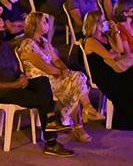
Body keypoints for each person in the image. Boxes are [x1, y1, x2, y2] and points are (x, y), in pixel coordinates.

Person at [0, 13, 74, 156]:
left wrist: (21, 77)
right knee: (42, 100)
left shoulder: (4, 46)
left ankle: (51, 121)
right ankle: (51, 141)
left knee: (42, 81)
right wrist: (14, 85)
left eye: (3, 27)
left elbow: (16, 67)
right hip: (3, 92)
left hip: (17, 84)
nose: (2, 30)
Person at [17, 12, 100, 142]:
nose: (47, 25)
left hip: (53, 76)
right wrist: (60, 73)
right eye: (44, 22)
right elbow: (43, 66)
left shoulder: (44, 42)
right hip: (41, 82)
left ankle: (85, 108)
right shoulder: (28, 44)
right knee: (75, 86)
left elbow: (56, 60)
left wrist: (64, 69)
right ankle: (76, 122)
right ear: (34, 25)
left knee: (79, 76)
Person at [81, 10, 133, 131]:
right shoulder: (90, 41)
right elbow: (109, 55)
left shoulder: (105, 37)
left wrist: (115, 31)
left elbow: (119, 50)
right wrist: (114, 54)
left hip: (116, 70)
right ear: (96, 23)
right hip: (105, 75)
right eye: (102, 21)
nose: (105, 22)